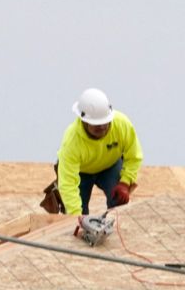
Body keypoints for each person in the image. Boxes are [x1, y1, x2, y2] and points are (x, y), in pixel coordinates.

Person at [56, 88, 143, 217]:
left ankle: (114, 227)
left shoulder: (122, 124)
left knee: (119, 205)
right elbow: (68, 184)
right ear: (84, 121)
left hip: (110, 167)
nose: (102, 127)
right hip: (81, 173)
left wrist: (125, 182)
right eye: (97, 125)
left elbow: (134, 156)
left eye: (105, 122)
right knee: (77, 214)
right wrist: (76, 217)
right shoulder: (71, 141)